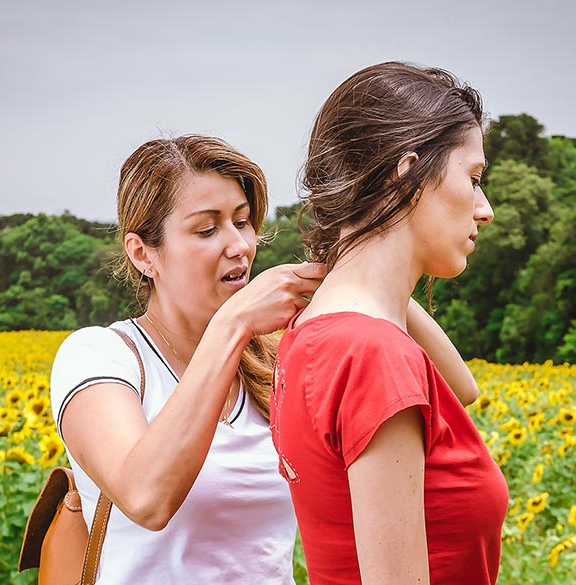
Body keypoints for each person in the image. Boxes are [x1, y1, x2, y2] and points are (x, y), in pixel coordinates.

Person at [49, 134, 477, 583]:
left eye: (244, 221)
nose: (239, 246)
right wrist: (233, 325)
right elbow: (146, 498)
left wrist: (361, 267)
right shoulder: (101, 356)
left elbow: (457, 391)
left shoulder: (278, 362)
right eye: (207, 229)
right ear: (143, 255)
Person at [271, 62, 509, 585]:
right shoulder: (372, 353)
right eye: (473, 179)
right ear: (406, 174)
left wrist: (375, 270)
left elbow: (461, 390)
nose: (484, 209)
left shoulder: (312, 330)